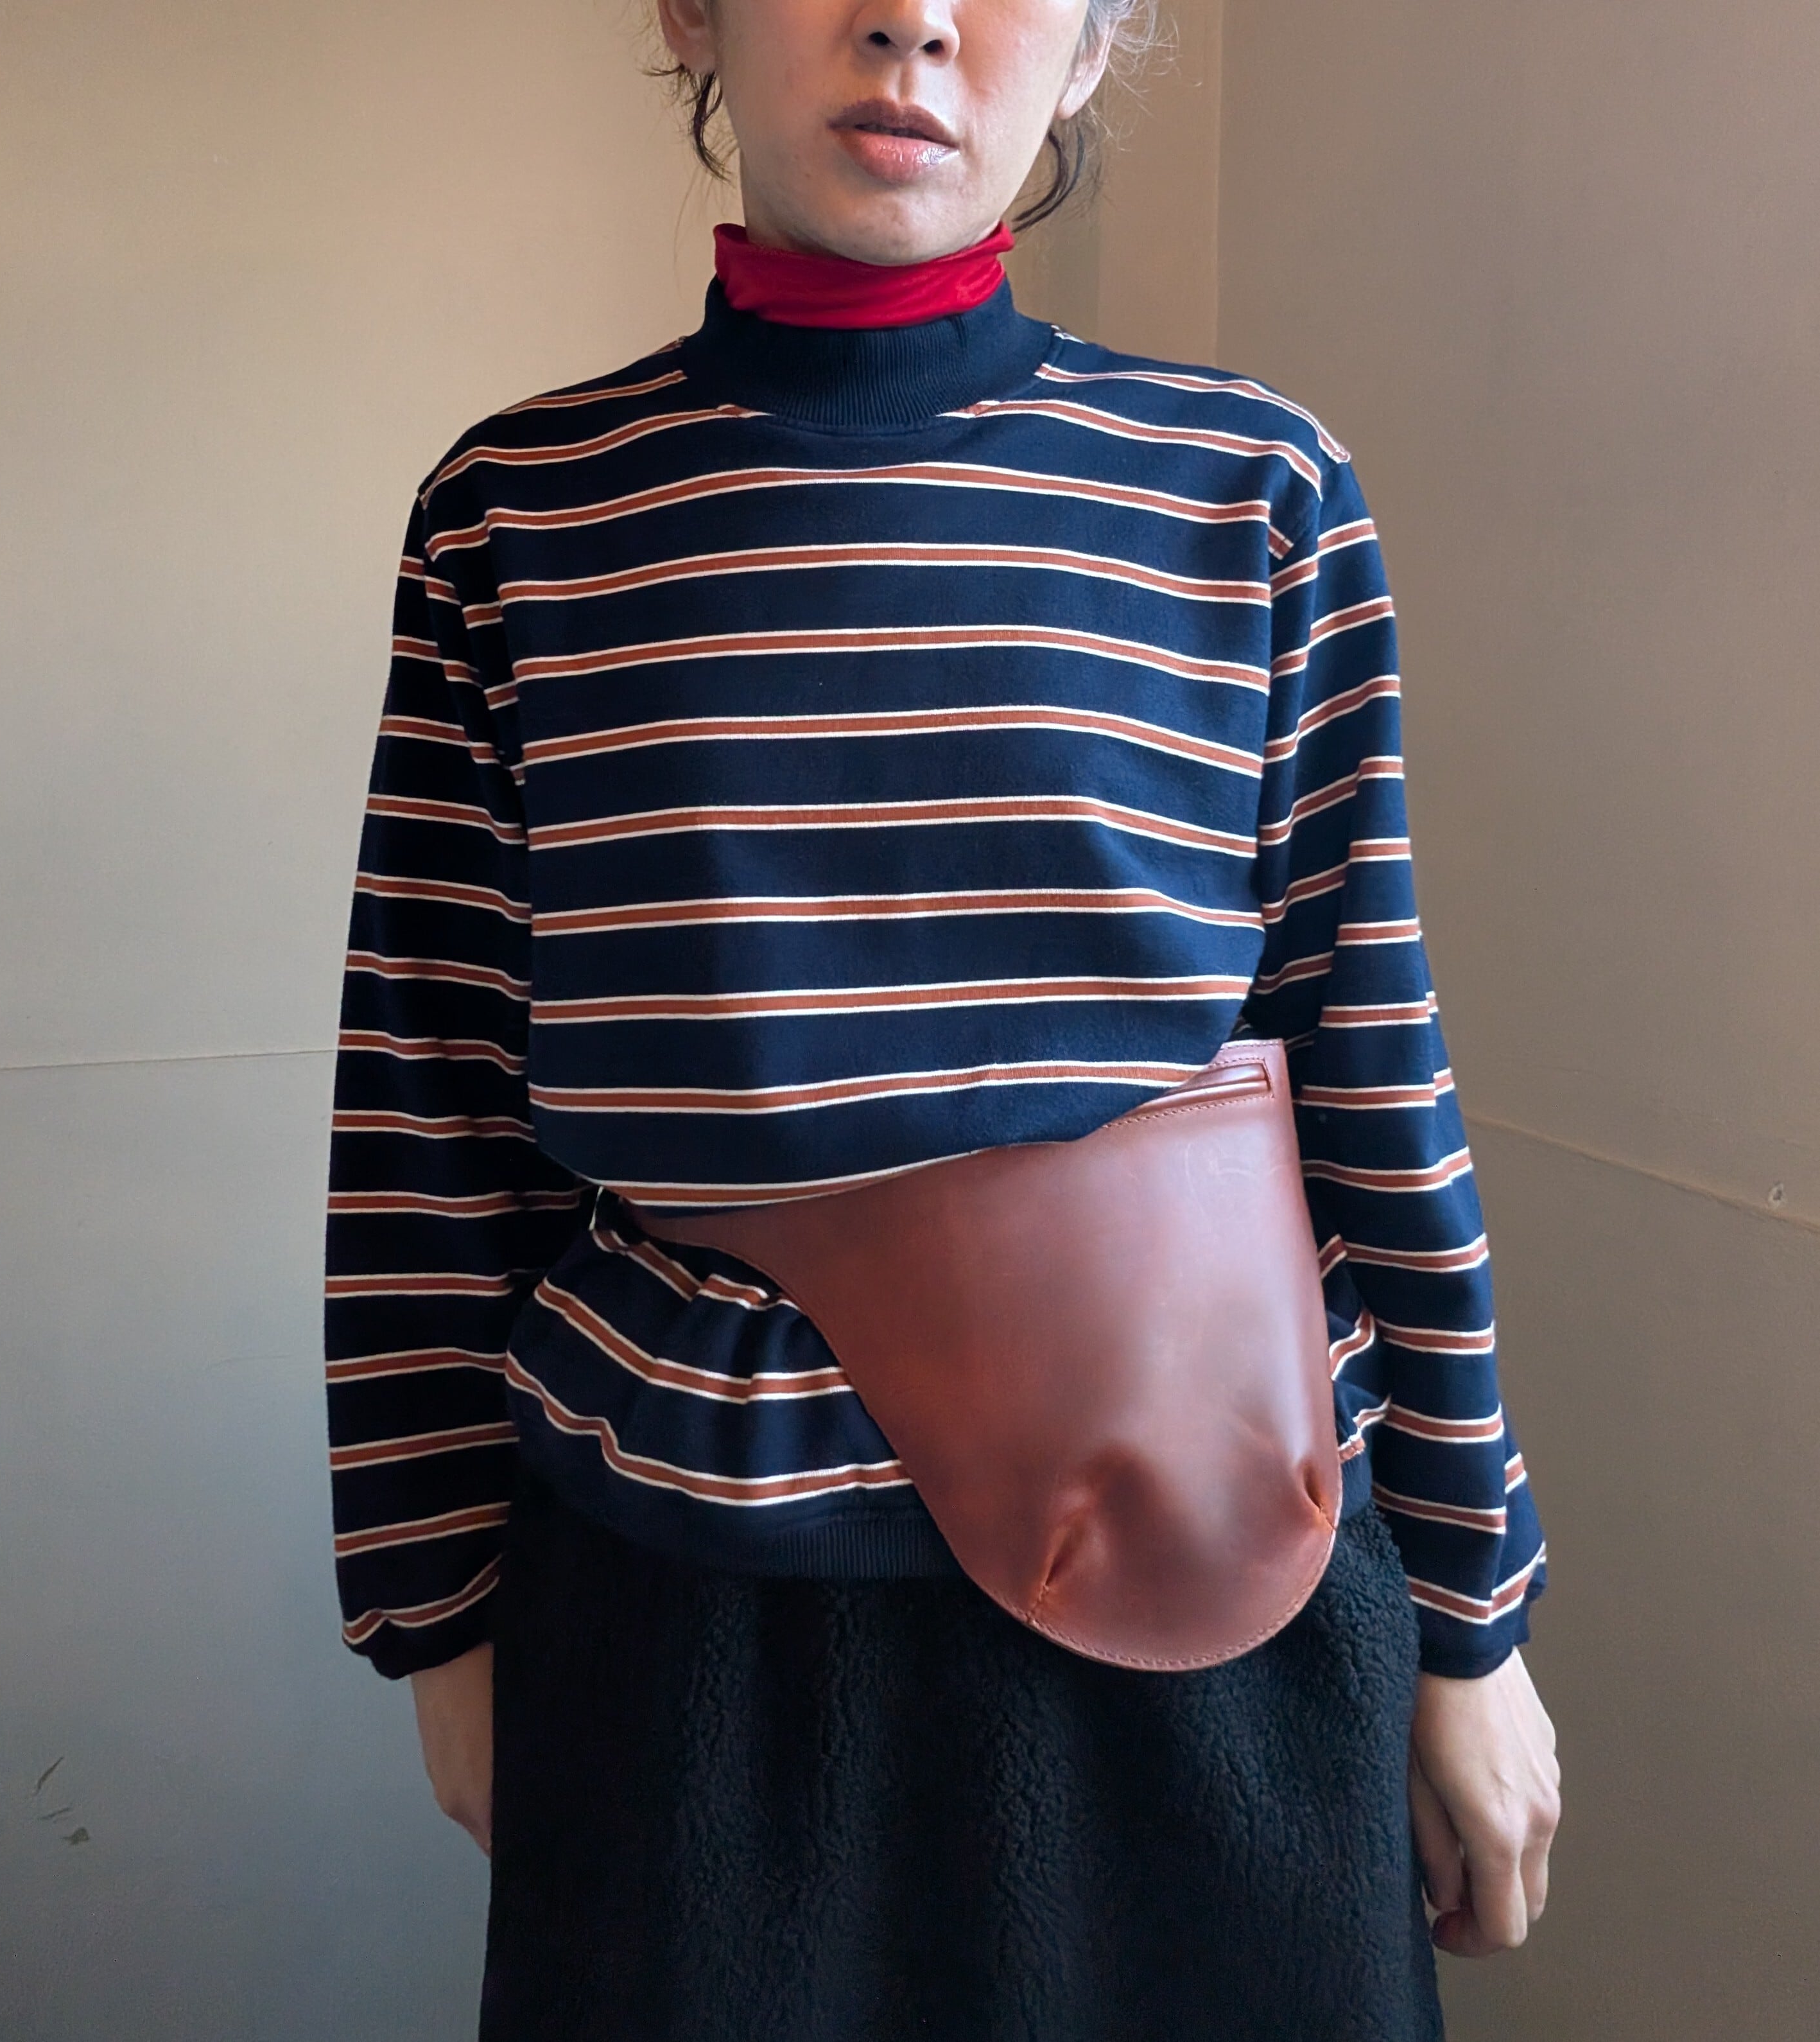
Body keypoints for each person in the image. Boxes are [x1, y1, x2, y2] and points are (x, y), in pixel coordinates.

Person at [322, 0, 1561, 2032]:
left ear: (1088, 50)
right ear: (691, 11)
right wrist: (434, 1609)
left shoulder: (1250, 485)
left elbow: (1371, 1068)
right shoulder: (517, 511)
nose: (912, 17)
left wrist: (1470, 1611)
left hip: (1223, 1587)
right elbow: (427, 1100)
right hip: (693, 1627)